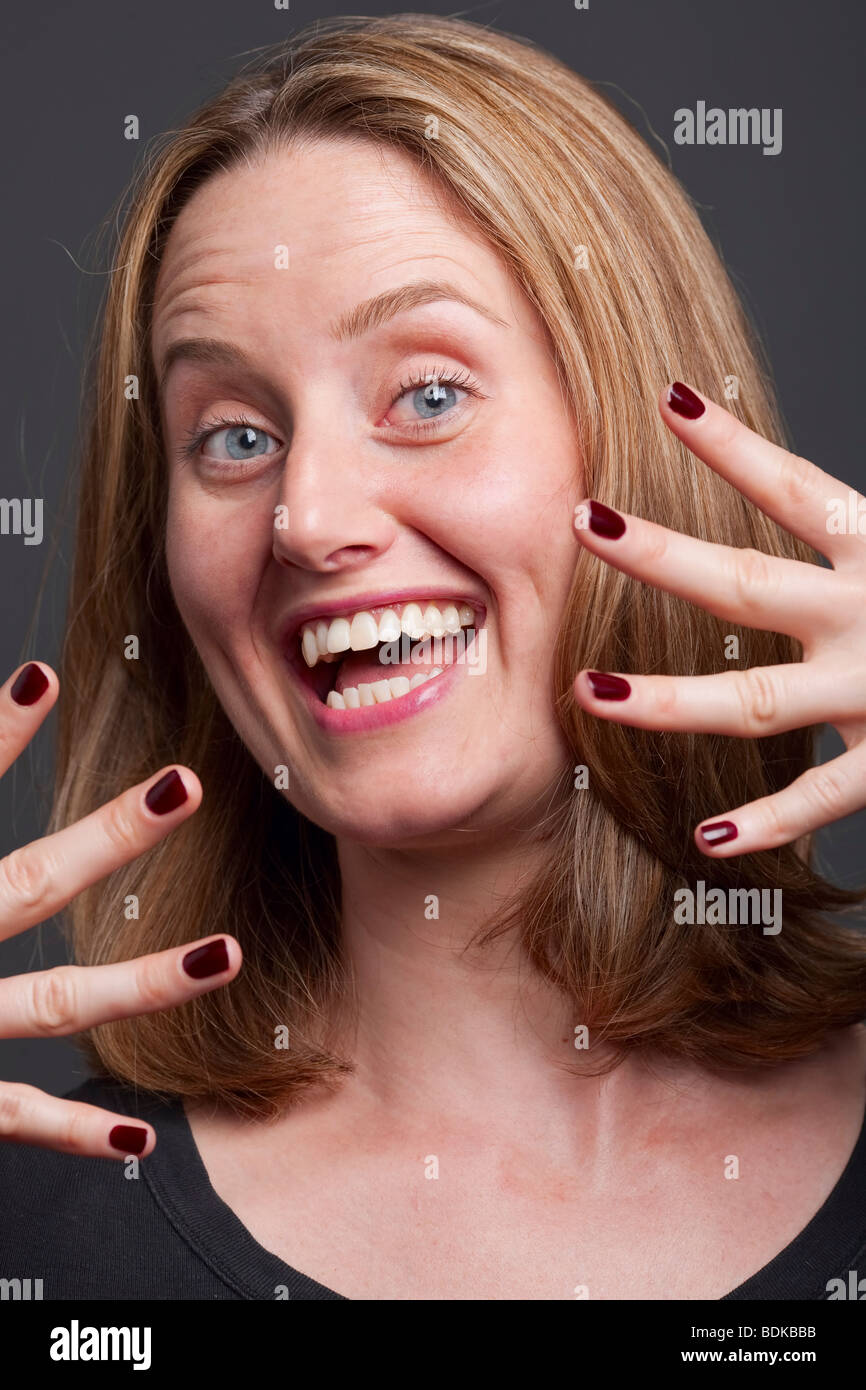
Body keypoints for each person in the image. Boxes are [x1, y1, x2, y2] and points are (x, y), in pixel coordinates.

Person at [1, 13, 865, 1301]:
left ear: (646, 441)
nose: (311, 519)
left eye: (429, 395)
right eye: (233, 436)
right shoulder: (47, 1228)